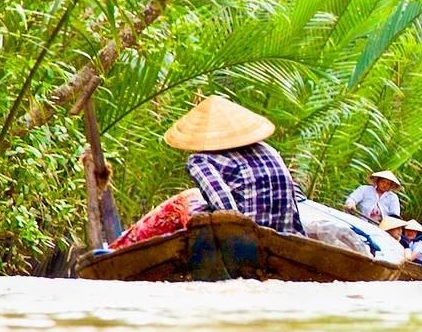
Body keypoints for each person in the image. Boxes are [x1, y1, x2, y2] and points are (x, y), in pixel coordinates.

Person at [110, 95, 303, 249]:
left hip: (246, 241)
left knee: (185, 203)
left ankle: (121, 247)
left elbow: (226, 210)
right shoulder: (269, 150)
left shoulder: (201, 160)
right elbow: (295, 199)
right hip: (284, 238)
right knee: (194, 201)